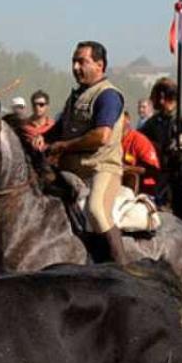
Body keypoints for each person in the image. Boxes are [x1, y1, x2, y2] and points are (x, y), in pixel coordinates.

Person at [46, 41, 128, 264]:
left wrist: (63, 146)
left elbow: (101, 136)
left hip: (100, 169)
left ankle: (123, 269)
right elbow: (58, 130)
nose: (75, 67)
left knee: (96, 210)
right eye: (74, 61)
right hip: (71, 170)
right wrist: (40, 139)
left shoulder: (107, 95)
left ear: (99, 65)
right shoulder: (76, 96)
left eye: (82, 62)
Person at [121, 115, 160, 195]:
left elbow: (153, 170)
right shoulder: (112, 141)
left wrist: (127, 168)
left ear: (127, 120)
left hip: (144, 188)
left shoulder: (139, 140)